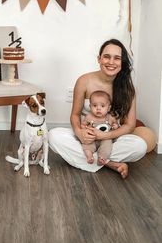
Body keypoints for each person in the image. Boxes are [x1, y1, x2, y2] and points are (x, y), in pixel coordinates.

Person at [49, 39, 155, 179]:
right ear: (99, 59)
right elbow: (75, 115)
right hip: (86, 139)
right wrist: (80, 133)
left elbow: (130, 125)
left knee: (140, 146)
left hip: (111, 139)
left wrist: (105, 136)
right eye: (107, 56)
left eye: (117, 58)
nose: (111, 62)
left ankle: (91, 160)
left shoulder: (128, 89)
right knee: (53, 135)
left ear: (122, 62)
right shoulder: (84, 81)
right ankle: (110, 163)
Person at [81, 90, 119, 166]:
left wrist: (115, 126)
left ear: (108, 108)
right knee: (87, 144)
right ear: (90, 107)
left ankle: (102, 158)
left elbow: (115, 124)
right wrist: (84, 128)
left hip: (105, 138)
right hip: (92, 138)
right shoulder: (89, 117)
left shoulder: (110, 117)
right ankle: (89, 156)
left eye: (102, 106)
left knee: (107, 145)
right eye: (94, 106)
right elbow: (83, 124)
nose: (98, 108)